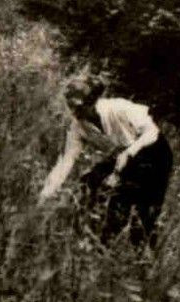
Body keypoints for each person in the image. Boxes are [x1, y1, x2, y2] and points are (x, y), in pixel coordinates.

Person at [39, 77, 173, 246]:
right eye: (73, 108)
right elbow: (67, 161)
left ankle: (144, 255)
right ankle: (89, 236)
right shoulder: (77, 127)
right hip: (123, 154)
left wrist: (129, 153)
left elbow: (152, 132)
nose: (78, 113)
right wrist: (47, 192)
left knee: (143, 211)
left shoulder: (118, 107)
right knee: (88, 184)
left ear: (92, 101)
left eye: (82, 108)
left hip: (154, 153)